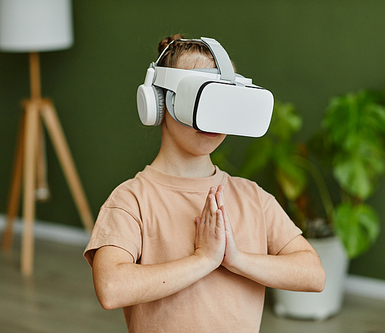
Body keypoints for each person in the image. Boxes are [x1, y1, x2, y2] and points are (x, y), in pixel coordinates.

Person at [84, 34, 325, 333]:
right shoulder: (132, 199)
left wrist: (236, 259)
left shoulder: (252, 197)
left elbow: (313, 274)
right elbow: (110, 287)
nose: (212, 117)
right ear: (159, 102)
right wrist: (203, 259)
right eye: (199, 98)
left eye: (222, 100)